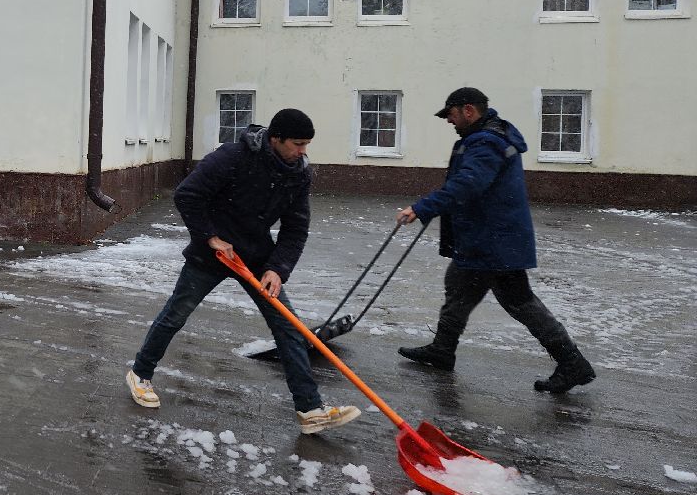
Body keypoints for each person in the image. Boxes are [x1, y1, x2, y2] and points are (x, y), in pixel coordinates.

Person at [126, 109, 362, 434]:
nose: (303, 151)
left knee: (288, 328)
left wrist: (278, 269)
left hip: (256, 258)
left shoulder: (298, 173)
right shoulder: (234, 156)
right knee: (176, 315)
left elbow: (296, 228)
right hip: (213, 254)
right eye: (297, 144)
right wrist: (210, 237)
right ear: (276, 138)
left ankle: (310, 410)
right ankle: (140, 374)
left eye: (307, 144)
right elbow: (187, 194)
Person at [396, 87, 595, 394]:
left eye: (450, 114)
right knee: (459, 286)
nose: (448, 121)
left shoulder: (486, 142)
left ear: (468, 110)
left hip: (495, 243)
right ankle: (442, 349)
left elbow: (469, 184)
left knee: (520, 303)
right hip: (485, 240)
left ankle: (572, 363)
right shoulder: (486, 138)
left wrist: (424, 207)